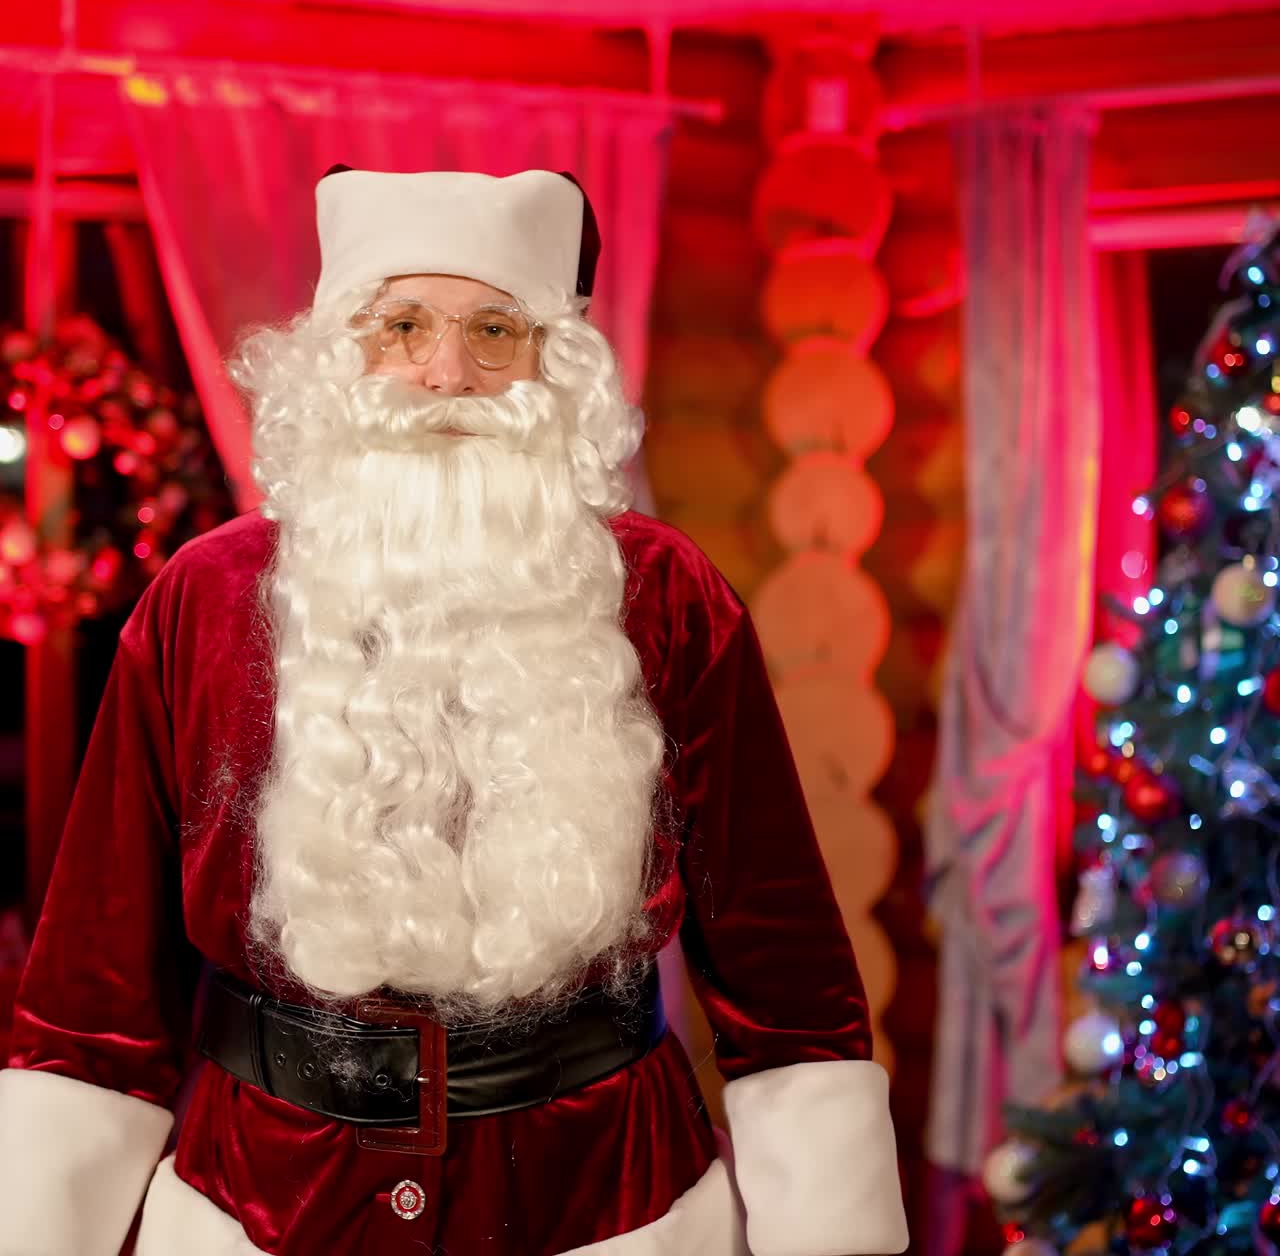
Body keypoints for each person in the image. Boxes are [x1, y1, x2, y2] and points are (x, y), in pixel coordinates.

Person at [0, 168, 907, 1256]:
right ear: (343, 357)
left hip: (604, 1201)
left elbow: (786, 972)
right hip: (266, 1203)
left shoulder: (663, 593)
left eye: (494, 329)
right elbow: (91, 998)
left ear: (551, 367)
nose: (447, 373)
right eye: (402, 326)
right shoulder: (204, 596)